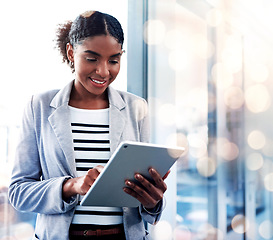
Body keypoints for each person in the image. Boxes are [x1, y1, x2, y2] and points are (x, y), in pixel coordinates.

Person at [8, 10, 168, 240]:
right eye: (92, 58)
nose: (103, 71)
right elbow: (19, 192)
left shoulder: (136, 108)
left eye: (114, 60)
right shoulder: (40, 106)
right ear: (71, 52)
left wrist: (152, 202)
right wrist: (72, 186)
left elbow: (147, 210)